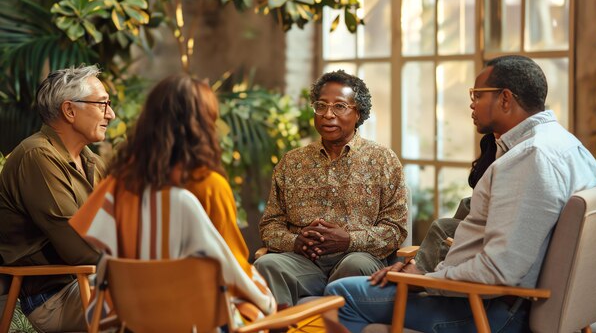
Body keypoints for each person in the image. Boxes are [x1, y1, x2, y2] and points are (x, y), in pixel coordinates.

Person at [325, 55, 596, 332]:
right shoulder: (568, 145)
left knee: (341, 295)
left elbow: (498, 270)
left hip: (489, 311)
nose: (471, 103)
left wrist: (424, 279)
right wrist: (423, 270)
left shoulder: (528, 158)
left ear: (505, 99)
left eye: (477, 94)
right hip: (497, 298)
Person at [69, 74, 276, 324]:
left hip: (130, 321)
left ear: (148, 121)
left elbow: (99, 250)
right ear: (204, 124)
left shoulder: (117, 185)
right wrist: (268, 301)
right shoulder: (209, 185)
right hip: (198, 321)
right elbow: (234, 268)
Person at [254, 70, 408, 307]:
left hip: (359, 258)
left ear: (358, 113)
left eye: (339, 106)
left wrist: (349, 241)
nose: (328, 115)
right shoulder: (292, 162)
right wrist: (294, 241)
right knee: (266, 265)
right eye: (321, 106)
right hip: (303, 261)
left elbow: (395, 229)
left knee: (354, 265)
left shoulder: (383, 160)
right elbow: (270, 224)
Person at [0, 65, 115, 332]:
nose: (111, 114)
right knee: (160, 292)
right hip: (53, 297)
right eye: (102, 104)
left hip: (91, 281)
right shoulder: (36, 156)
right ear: (69, 110)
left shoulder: (92, 162)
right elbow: (78, 247)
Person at [413, 133, 497, 273]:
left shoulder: (511, 157)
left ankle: (417, 273)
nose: (472, 109)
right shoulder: (493, 143)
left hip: (466, 272)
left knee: (443, 227)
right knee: (465, 207)